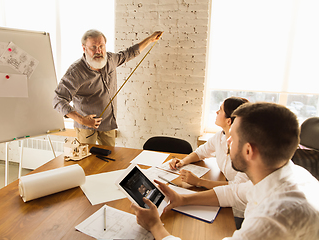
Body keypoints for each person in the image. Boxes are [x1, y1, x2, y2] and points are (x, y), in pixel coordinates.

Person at [131, 102, 319, 240]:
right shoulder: (286, 175)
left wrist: (155, 226)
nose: (227, 141)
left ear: (248, 150)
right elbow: (235, 192)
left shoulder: (275, 217)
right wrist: (182, 199)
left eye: (233, 137)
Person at [53, 29, 163, 146]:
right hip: (86, 126)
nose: (98, 51)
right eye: (93, 47)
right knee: (86, 160)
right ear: (84, 49)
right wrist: (81, 120)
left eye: (101, 46)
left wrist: (150, 39)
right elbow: (58, 100)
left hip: (107, 123)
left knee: (110, 157)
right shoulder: (76, 71)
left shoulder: (110, 59)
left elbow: (129, 53)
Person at [169, 97, 249, 227]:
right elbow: (201, 152)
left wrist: (199, 182)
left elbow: (236, 188)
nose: (217, 112)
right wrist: (182, 161)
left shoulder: (245, 150)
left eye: (220, 110)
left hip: (240, 212)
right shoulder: (220, 136)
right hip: (226, 196)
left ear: (229, 121)